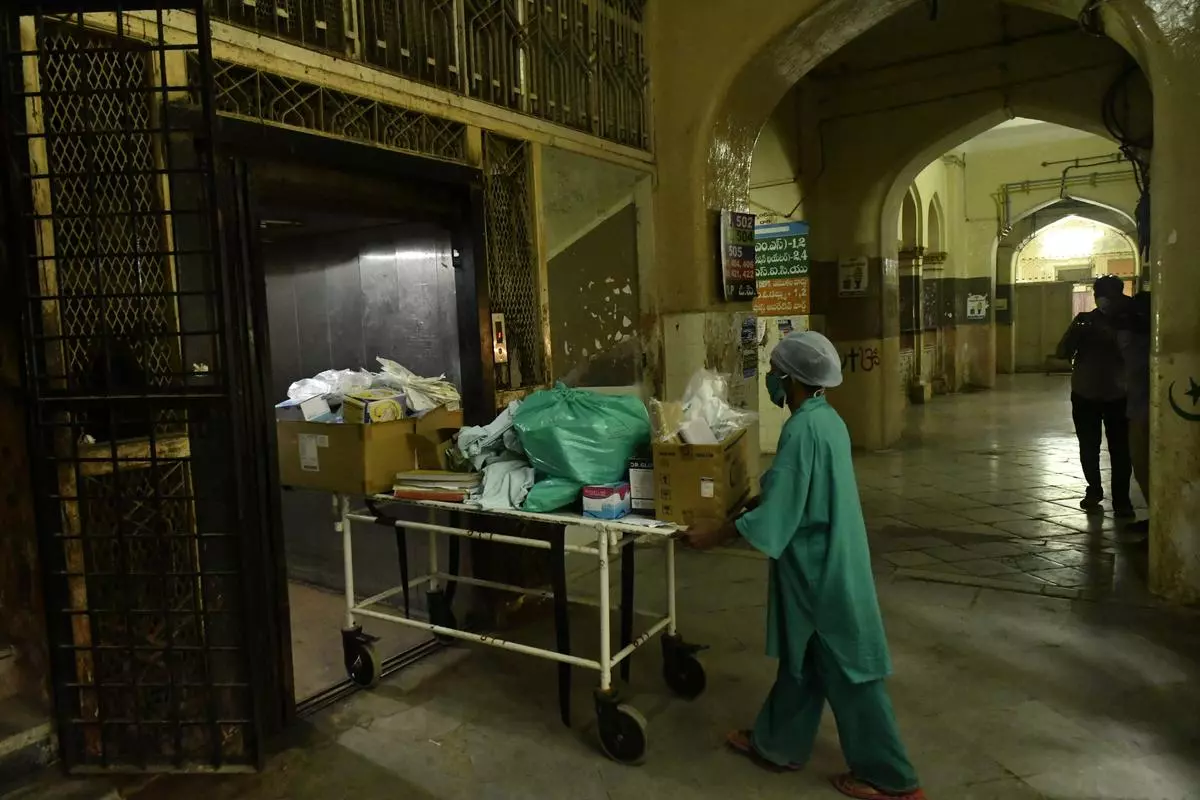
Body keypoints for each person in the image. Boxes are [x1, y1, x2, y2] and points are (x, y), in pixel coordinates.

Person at [677, 331, 924, 800]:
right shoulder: (827, 420)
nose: (770, 379)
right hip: (830, 557)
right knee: (803, 662)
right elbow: (793, 483)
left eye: (774, 373)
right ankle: (777, 745)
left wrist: (716, 534)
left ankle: (892, 778)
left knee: (851, 672)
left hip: (819, 573)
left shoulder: (801, 429)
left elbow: (781, 510)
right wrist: (751, 498)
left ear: (790, 380)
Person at [1055, 275, 1133, 517]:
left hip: (1116, 393)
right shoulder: (1085, 321)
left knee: (1119, 449)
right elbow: (1062, 351)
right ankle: (1097, 491)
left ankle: (1120, 499)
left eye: (1108, 293)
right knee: (1092, 446)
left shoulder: (1131, 322)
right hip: (1088, 393)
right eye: (1101, 293)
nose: (1104, 299)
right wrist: (1078, 334)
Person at [1113, 289, 1151, 536]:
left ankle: (1162, 521)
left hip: (1143, 413)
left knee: (1146, 467)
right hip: (1140, 410)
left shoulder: (1136, 343)